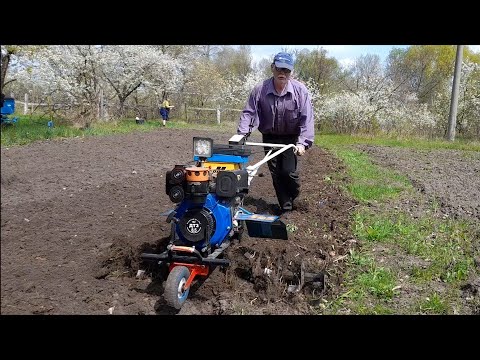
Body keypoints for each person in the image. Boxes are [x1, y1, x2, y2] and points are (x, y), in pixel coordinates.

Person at [237, 52, 314, 212]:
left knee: (288, 172)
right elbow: (249, 113)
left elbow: (307, 118)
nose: (282, 73)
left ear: (290, 72)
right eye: (279, 69)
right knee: (276, 173)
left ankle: (295, 196)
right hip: (270, 137)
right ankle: (286, 207)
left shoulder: (300, 91)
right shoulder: (260, 90)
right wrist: (242, 134)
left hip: (290, 138)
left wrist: (302, 143)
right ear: (273, 68)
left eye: (286, 70)